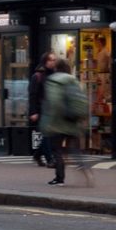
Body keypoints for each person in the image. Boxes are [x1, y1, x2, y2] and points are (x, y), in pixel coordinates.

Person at [42, 57, 92, 186]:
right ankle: (86, 170)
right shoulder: (74, 81)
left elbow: (54, 102)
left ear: (56, 68)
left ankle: (60, 179)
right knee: (75, 149)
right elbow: (83, 100)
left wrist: (49, 121)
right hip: (73, 120)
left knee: (57, 150)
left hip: (59, 121)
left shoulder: (54, 80)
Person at [26, 51, 56, 168]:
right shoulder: (37, 76)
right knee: (47, 134)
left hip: (52, 110)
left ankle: (38, 154)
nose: (53, 62)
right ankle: (50, 160)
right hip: (41, 110)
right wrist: (33, 112)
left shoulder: (54, 75)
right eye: (51, 60)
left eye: (54, 60)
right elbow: (32, 95)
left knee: (49, 135)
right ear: (45, 61)